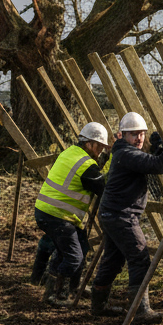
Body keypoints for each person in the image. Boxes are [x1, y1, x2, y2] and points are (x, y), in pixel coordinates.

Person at [89, 112, 163, 320]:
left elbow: (148, 161)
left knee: (113, 260)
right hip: (121, 216)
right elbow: (156, 165)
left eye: (142, 134)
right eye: (134, 134)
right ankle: (140, 310)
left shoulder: (124, 152)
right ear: (122, 135)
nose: (139, 138)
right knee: (140, 258)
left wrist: (157, 149)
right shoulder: (127, 154)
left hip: (112, 214)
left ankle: (98, 306)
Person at [33, 122, 111, 305]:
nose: (100, 151)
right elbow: (103, 186)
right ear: (89, 144)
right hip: (58, 215)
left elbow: (95, 173)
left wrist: (106, 160)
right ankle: (56, 294)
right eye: (99, 146)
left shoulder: (70, 153)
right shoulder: (86, 165)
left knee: (78, 248)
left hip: (48, 211)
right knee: (73, 257)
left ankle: (73, 287)